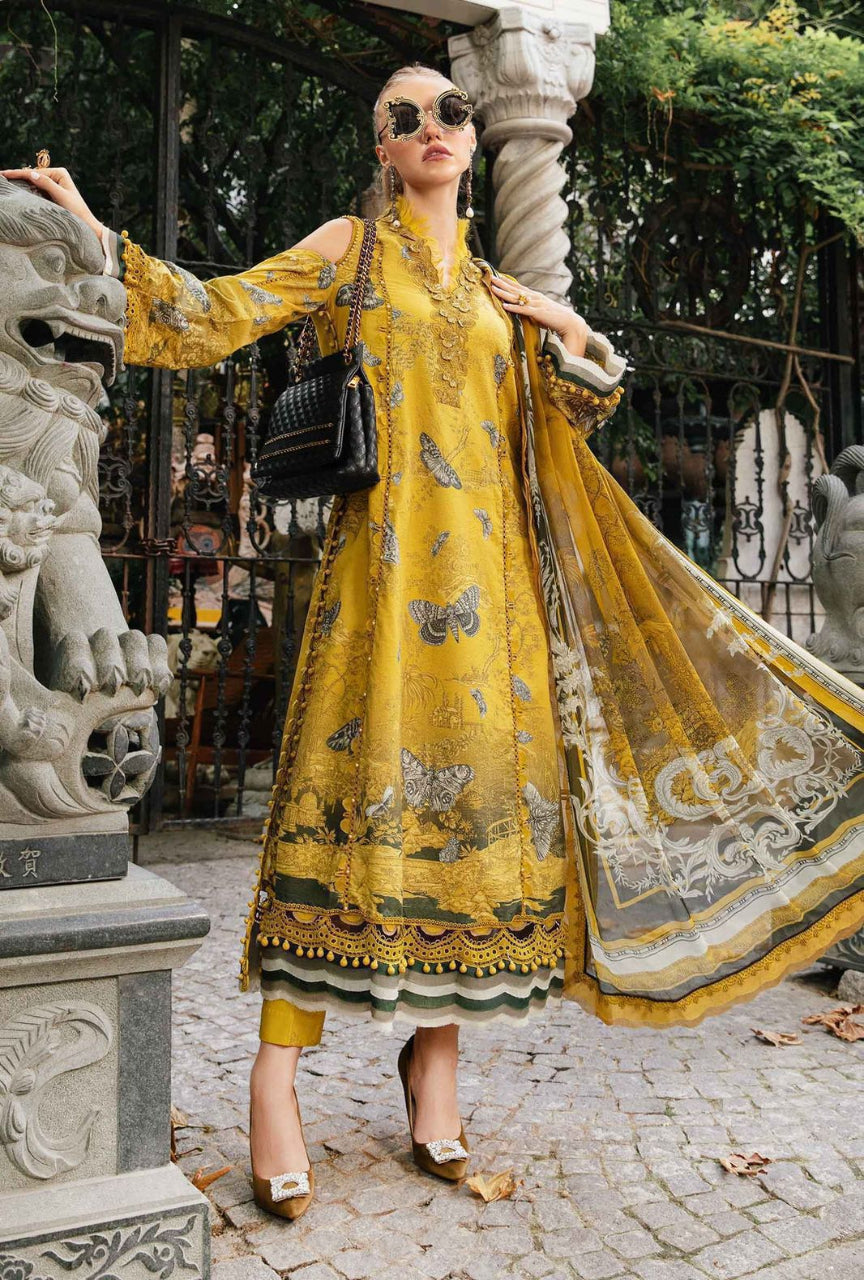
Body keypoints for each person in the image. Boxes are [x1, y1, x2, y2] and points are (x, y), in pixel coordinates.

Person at [7, 60, 864, 1224]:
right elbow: (207, 316)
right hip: (377, 585)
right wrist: (92, 231)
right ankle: (276, 1076)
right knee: (339, 813)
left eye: (451, 111)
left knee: (469, 836)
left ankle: (437, 1066)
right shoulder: (344, 252)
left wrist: (561, 319)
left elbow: (585, 402)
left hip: (494, 600)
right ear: (382, 146)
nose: (433, 128)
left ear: (473, 136)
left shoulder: (500, 293)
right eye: (403, 116)